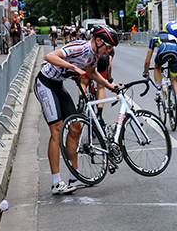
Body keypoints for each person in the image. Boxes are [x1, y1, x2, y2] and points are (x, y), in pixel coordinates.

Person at [33, 24, 119, 195]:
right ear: (98, 40)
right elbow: (50, 56)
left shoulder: (94, 56)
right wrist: (73, 67)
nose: (108, 51)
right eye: (108, 47)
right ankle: (56, 182)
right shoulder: (79, 47)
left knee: (76, 128)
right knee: (56, 129)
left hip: (58, 85)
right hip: (45, 83)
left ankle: (74, 176)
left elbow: (92, 73)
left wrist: (109, 85)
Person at [143, 27, 177, 122]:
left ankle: (158, 90)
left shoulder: (155, 38)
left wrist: (146, 72)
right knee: (174, 81)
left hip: (163, 52)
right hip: (176, 54)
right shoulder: (174, 38)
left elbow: (147, 60)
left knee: (157, 67)